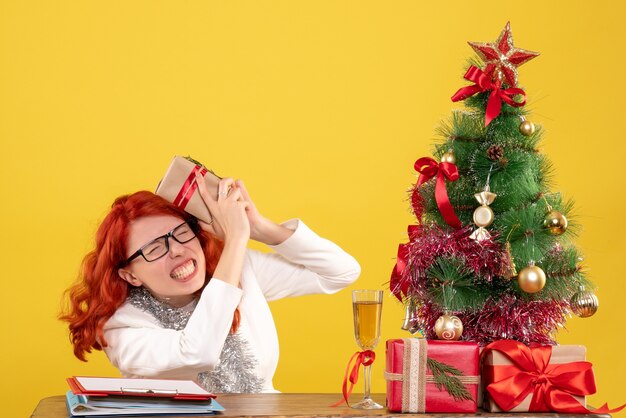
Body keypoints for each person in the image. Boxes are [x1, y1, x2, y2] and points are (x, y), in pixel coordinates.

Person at [60, 174, 360, 393]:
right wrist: (235, 239)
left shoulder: (239, 269)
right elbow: (198, 352)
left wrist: (259, 229)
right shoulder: (121, 329)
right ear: (130, 274)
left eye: (180, 232)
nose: (176, 249)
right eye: (153, 249)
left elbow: (341, 272)